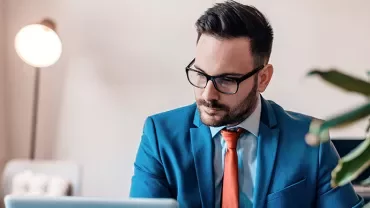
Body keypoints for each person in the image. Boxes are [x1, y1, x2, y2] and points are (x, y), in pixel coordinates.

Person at [129, 1, 364, 207]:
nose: (208, 94)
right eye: (200, 74)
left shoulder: (310, 139)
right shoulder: (160, 136)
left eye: (227, 80)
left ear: (263, 78)